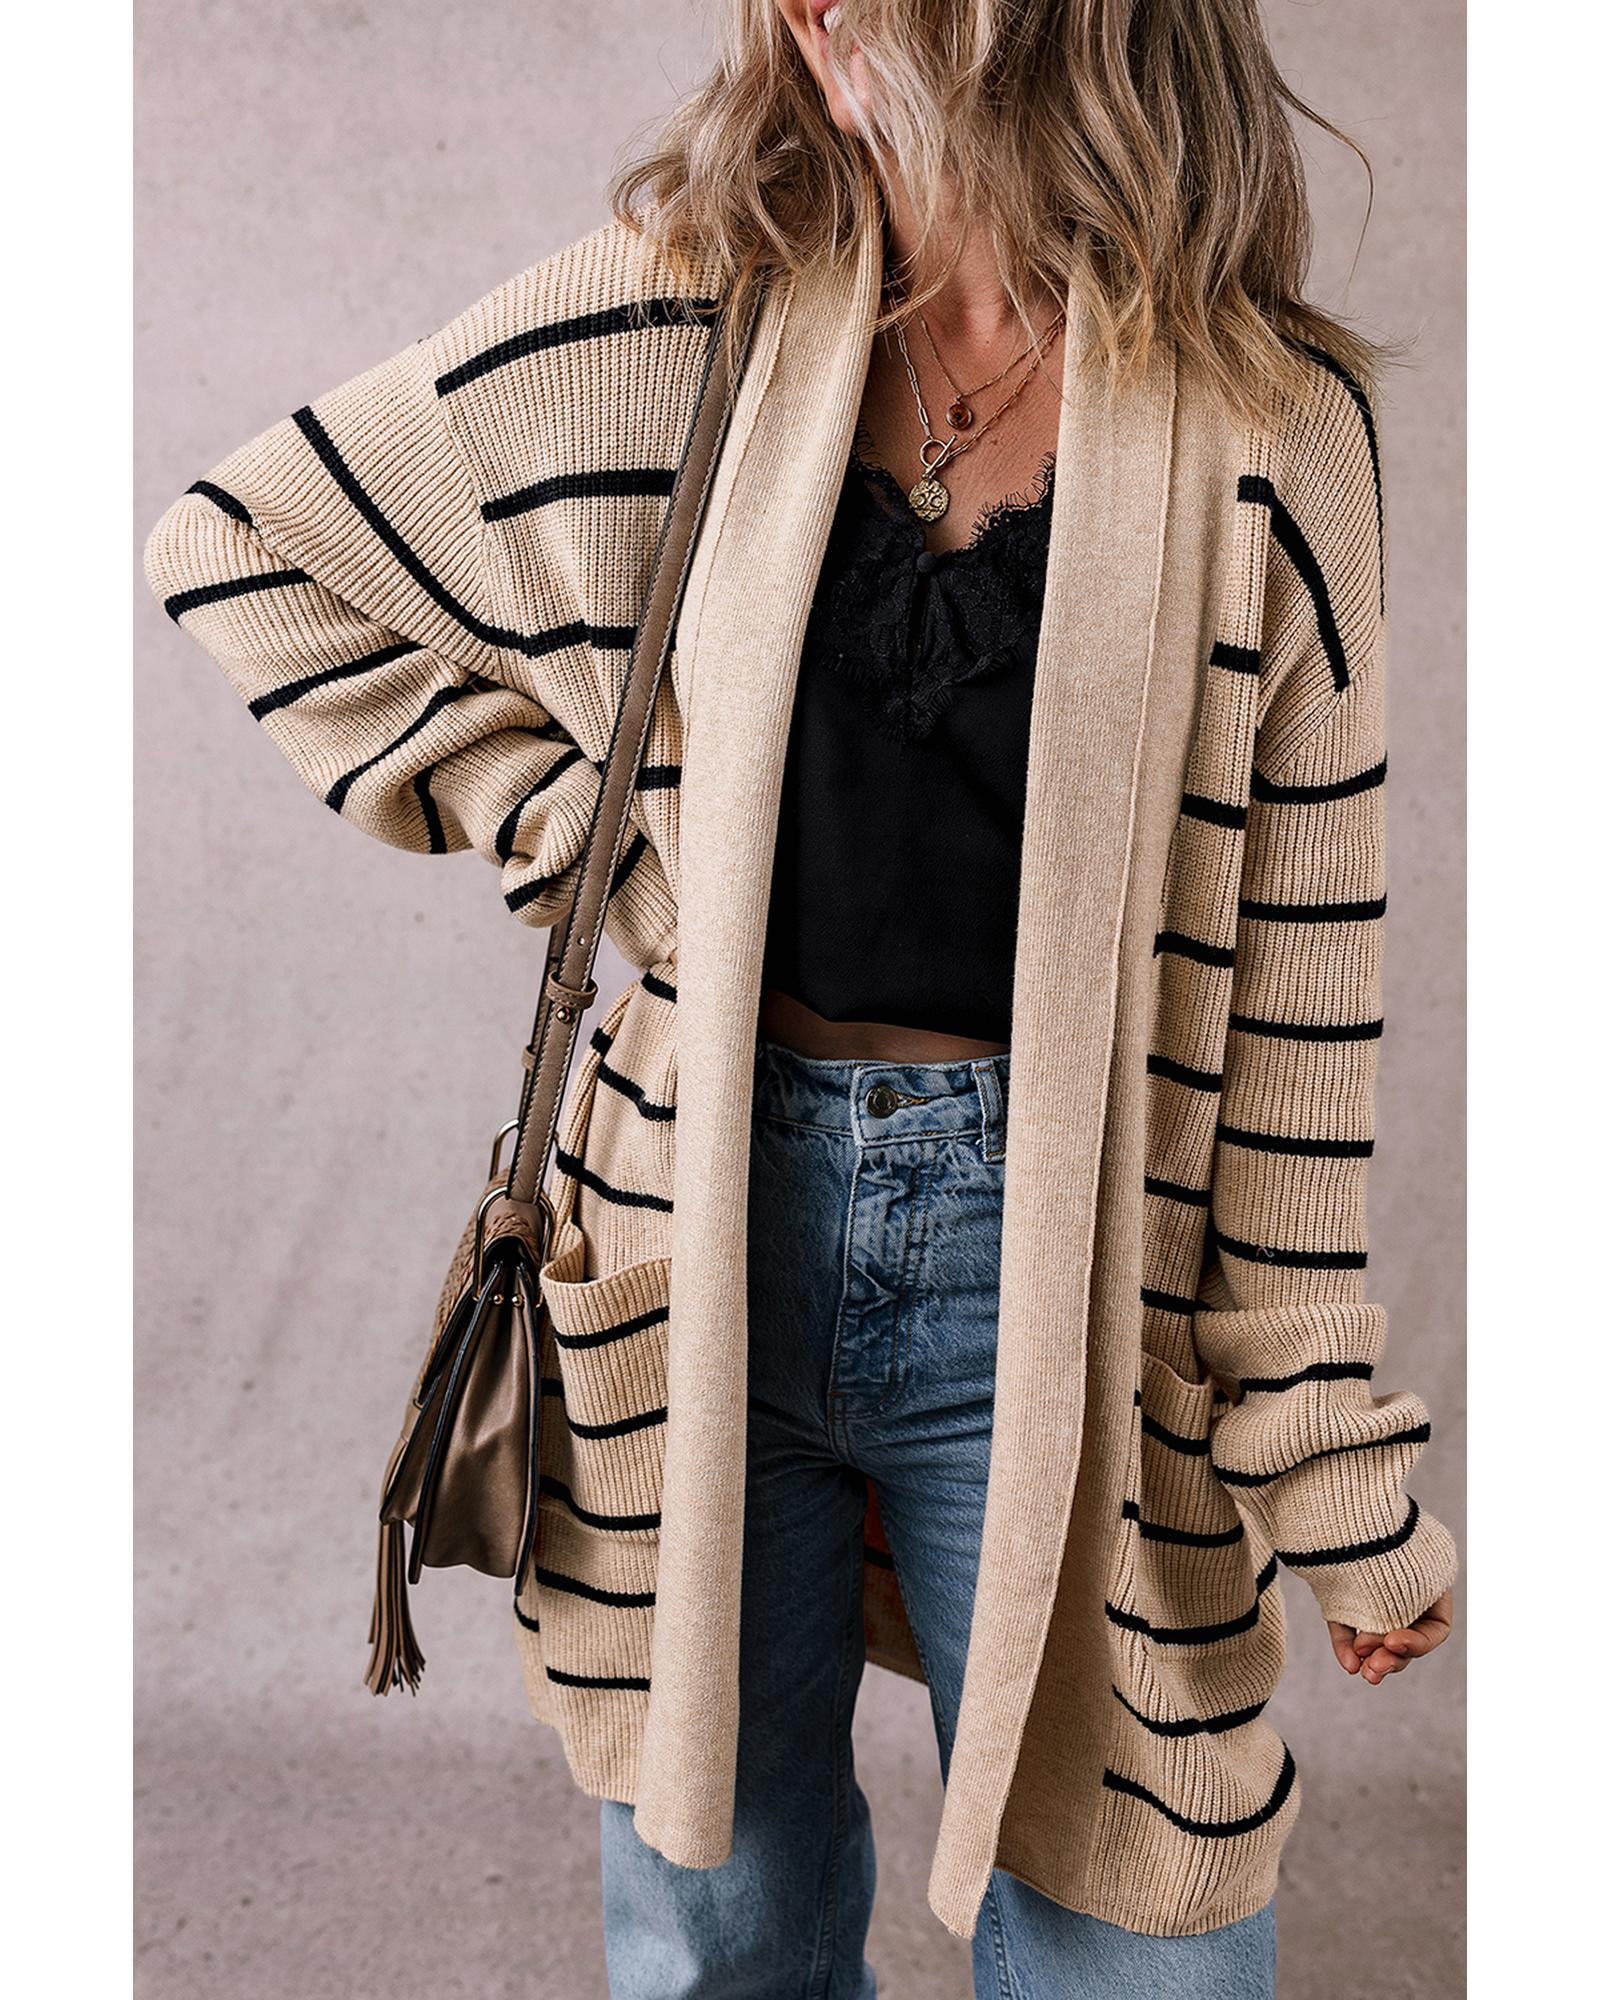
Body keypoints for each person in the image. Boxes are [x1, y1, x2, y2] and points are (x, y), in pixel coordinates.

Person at [144, 2, 1458, 1993]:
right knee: (722, 1917)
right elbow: (252, 546)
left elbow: (1296, 1002)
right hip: (697, 1225)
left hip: (1073, 1268)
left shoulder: (1271, 425)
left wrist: (1327, 1457)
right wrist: (589, 841)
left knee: (1142, 1931)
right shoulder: (680, 311)